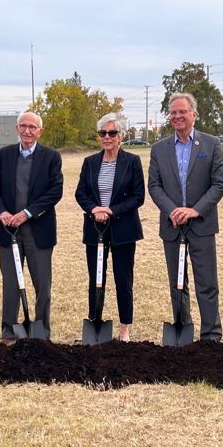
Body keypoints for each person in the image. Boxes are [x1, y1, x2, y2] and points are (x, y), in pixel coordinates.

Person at [147, 92, 223, 341]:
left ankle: (211, 334)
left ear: (194, 114)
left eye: (182, 111)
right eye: (173, 113)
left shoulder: (211, 144)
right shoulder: (159, 149)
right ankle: (182, 330)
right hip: (172, 226)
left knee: (207, 283)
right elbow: (154, 186)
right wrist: (172, 210)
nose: (177, 116)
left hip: (201, 225)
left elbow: (219, 184)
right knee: (177, 283)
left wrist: (195, 210)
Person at [0, 111, 63, 343]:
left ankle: (41, 332)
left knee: (42, 286)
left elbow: (54, 192)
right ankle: (9, 332)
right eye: (24, 126)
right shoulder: (4, 155)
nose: (28, 131)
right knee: (11, 283)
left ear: (40, 131)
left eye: (33, 127)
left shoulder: (51, 157)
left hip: (39, 232)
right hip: (9, 231)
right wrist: (3, 213)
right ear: (17, 129)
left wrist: (27, 213)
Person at [75, 112, 145, 341]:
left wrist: (111, 210)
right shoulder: (90, 163)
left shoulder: (132, 162)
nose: (107, 137)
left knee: (123, 279)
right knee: (96, 278)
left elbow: (138, 197)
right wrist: (95, 209)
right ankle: (95, 322)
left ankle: (124, 328)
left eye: (112, 132)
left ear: (121, 136)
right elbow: (81, 193)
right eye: (102, 133)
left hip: (123, 229)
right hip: (95, 229)